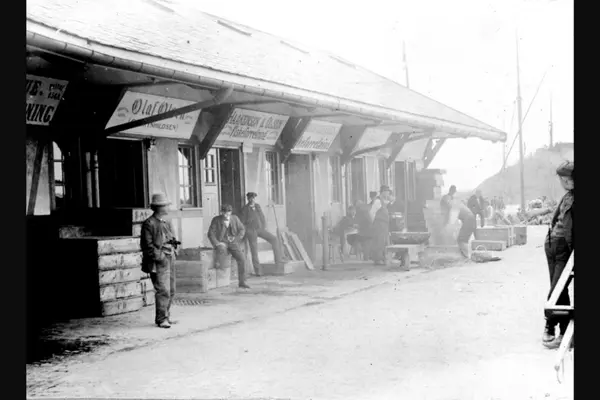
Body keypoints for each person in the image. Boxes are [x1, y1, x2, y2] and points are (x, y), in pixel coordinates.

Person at [542, 161, 574, 349]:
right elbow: (557, 221)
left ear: (568, 180)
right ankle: (560, 330)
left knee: (557, 289)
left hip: (563, 248)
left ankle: (551, 326)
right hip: (552, 245)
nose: (562, 183)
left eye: (563, 180)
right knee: (558, 289)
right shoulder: (567, 196)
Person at [141, 193, 179, 329]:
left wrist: (175, 250)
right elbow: (147, 246)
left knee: (172, 289)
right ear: (159, 208)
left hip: (170, 258)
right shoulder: (149, 223)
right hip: (158, 262)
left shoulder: (167, 221)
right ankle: (161, 319)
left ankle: (166, 316)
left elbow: (173, 238)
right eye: (165, 205)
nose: (168, 208)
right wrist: (161, 257)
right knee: (163, 290)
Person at [239, 192, 283, 276]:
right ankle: (258, 271)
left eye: (253, 198)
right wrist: (247, 230)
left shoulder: (257, 206)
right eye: (250, 198)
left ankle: (278, 267)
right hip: (251, 231)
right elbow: (242, 222)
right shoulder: (245, 209)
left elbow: (262, 217)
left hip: (260, 229)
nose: (252, 199)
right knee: (254, 250)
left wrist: (263, 226)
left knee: (274, 239)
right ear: (248, 199)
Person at [208, 204, 249, 289]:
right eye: (224, 213)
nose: (226, 215)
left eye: (228, 213)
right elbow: (210, 233)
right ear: (221, 212)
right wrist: (217, 243)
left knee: (242, 259)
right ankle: (222, 280)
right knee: (222, 258)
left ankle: (242, 282)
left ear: (231, 212)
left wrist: (237, 239)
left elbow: (242, 229)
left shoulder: (235, 218)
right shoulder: (216, 220)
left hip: (233, 243)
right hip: (222, 243)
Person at [369, 185, 395, 265]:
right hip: (379, 224)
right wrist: (374, 222)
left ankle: (384, 258)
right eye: (387, 192)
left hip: (384, 224)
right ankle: (378, 259)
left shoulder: (384, 201)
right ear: (383, 192)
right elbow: (372, 212)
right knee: (379, 241)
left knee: (384, 241)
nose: (388, 194)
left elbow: (389, 203)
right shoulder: (378, 201)